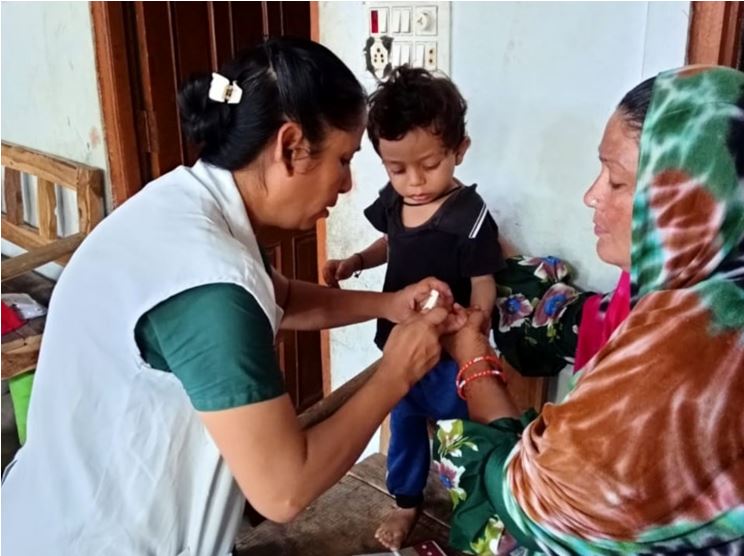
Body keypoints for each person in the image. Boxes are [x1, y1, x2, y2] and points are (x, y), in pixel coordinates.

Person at [0, 38, 465, 556]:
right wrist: (396, 372)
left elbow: (280, 297)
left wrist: (388, 304)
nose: (346, 184)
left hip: (52, 506)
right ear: (291, 146)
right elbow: (284, 490)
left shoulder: (188, 204)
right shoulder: (210, 283)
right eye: (343, 159)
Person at [432, 65, 744, 554]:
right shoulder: (685, 298)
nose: (591, 196)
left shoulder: (681, 357)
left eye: (616, 180)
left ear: (688, 202)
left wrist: (472, 359)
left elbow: (535, 502)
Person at [323, 66, 505, 550]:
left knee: (460, 435)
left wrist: (477, 328)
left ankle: (472, 505)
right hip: (401, 345)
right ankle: (406, 502)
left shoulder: (469, 216)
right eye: (397, 169)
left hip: (449, 357)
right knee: (403, 425)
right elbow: (390, 242)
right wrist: (357, 260)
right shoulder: (394, 201)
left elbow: (484, 282)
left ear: (459, 150)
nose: (415, 182)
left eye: (429, 164)